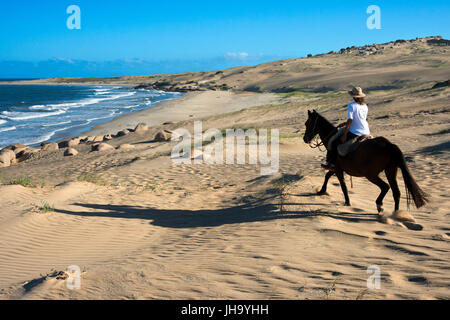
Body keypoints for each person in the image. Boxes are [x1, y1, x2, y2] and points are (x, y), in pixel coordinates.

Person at [321, 87, 370, 171]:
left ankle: (332, 164)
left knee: (335, 143)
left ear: (353, 96)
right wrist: (344, 123)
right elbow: (361, 119)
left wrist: (345, 134)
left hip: (355, 132)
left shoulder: (351, 105)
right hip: (366, 131)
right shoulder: (365, 106)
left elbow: (351, 120)